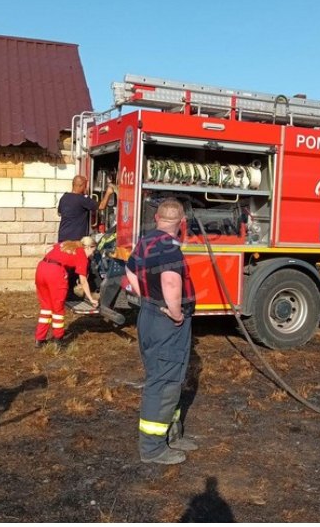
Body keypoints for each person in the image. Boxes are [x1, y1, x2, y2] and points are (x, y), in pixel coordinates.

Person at [125, 198, 198, 465]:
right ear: (182, 223)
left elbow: (129, 270)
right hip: (167, 322)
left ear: (157, 218)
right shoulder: (170, 248)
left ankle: (171, 434)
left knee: (170, 378)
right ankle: (153, 448)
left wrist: (146, 296)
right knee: (163, 382)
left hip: (149, 315)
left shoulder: (146, 241)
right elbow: (170, 281)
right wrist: (175, 312)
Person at [34, 237, 97, 348]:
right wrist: (91, 299)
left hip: (41, 268)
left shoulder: (68, 243)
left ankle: (40, 339)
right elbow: (83, 281)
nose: (92, 255)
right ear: (88, 247)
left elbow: (50, 248)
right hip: (55, 272)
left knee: (46, 308)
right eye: (93, 251)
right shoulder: (82, 255)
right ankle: (58, 340)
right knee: (57, 309)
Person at [57, 175, 114, 242]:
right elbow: (102, 206)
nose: (85, 188)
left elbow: (59, 213)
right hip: (75, 239)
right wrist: (108, 192)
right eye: (85, 186)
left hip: (62, 236)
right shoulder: (82, 199)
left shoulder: (64, 197)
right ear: (80, 186)